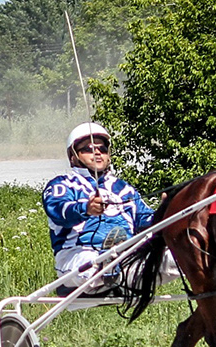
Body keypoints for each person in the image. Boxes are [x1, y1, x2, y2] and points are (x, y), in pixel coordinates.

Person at [42, 122, 160, 289]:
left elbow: (144, 218)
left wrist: (166, 211)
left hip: (126, 256)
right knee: (92, 263)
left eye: (102, 149)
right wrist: (86, 209)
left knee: (180, 254)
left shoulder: (123, 188)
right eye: (88, 148)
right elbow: (57, 211)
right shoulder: (62, 185)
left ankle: (113, 265)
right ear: (73, 156)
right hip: (77, 255)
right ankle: (108, 266)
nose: (97, 152)